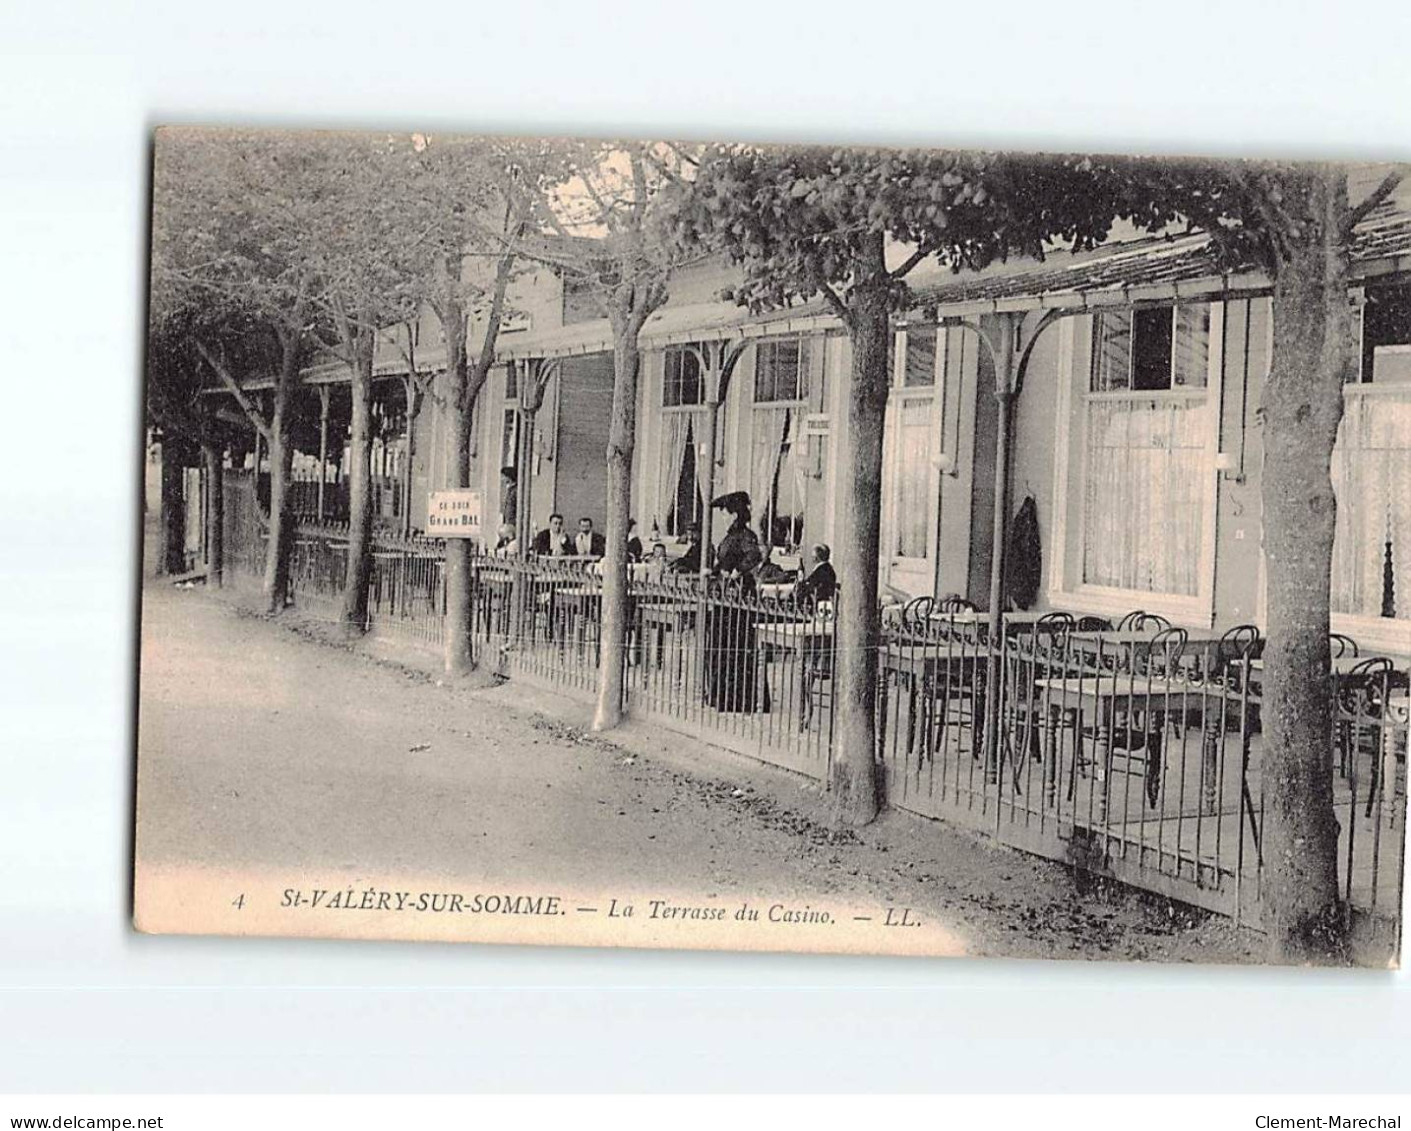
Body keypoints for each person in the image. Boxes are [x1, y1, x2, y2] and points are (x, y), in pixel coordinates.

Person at [703, 491, 770, 713]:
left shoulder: (744, 535)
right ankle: (722, 696)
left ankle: (740, 698)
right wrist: (712, 571)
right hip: (726, 594)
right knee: (722, 641)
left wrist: (737, 572)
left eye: (725, 513)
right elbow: (724, 559)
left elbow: (755, 556)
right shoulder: (731, 535)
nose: (722, 518)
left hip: (739, 594)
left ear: (734, 515)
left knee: (736, 642)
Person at [794, 544, 837, 610]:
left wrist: (800, 581)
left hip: (816, 604)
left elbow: (809, 588)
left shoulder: (821, 571)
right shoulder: (828, 569)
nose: (812, 557)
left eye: (813, 555)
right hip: (823, 602)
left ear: (817, 557)